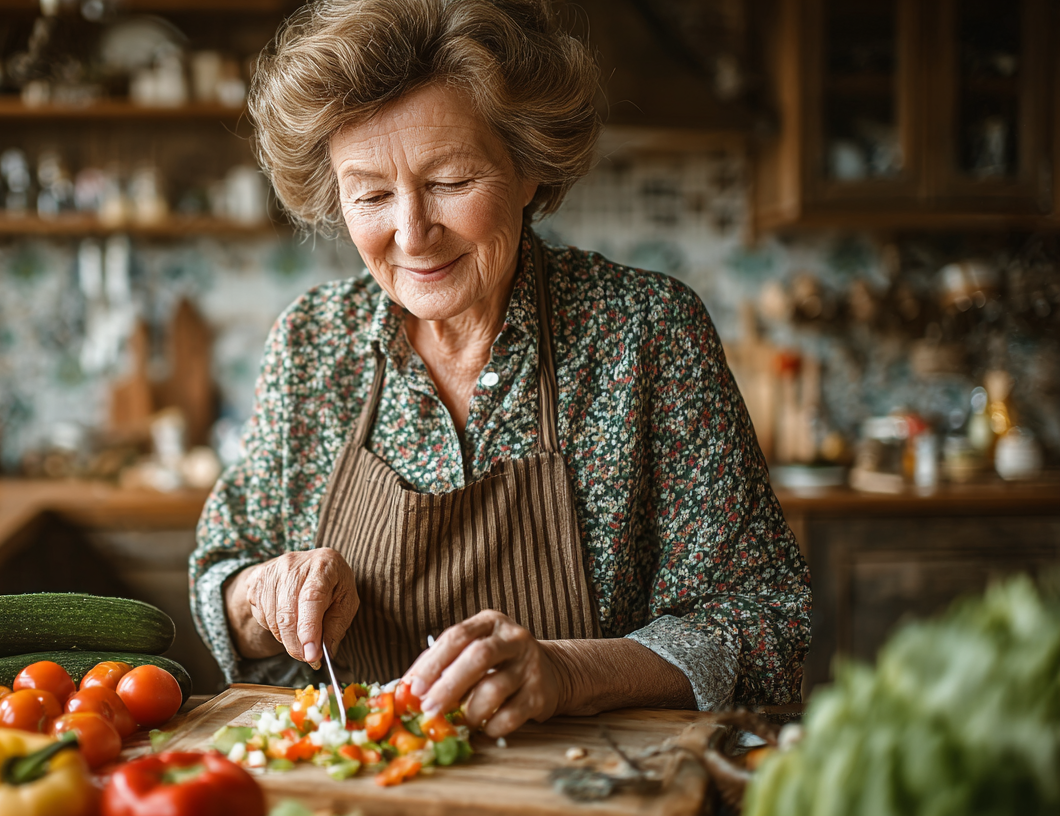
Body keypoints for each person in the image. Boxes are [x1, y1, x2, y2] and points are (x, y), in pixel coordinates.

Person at [190, 0, 810, 737]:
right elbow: (218, 577)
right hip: (360, 782)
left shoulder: (645, 332)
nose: (413, 233)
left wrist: (569, 673)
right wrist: (264, 592)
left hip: (595, 783)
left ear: (526, 167)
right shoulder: (312, 342)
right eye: (372, 195)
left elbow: (766, 619)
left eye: (450, 181)